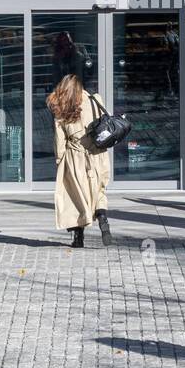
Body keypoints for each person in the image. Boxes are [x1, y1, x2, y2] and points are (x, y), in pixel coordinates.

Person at [46, 73, 113, 248]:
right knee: (99, 190)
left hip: (75, 156)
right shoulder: (94, 99)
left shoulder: (60, 106)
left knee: (73, 196)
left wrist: (59, 159)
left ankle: (78, 237)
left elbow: (60, 138)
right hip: (98, 153)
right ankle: (102, 216)